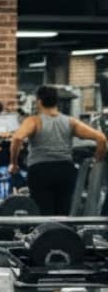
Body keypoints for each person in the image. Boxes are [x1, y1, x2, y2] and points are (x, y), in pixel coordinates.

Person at [10, 85, 107, 215]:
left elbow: (17, 138)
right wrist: (97, 161)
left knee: (44, 213)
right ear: (57, 101)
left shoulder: (34, 121)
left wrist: (13, 163)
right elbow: (101, 138)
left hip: (40, 171)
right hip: (65, 170)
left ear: (39, 101)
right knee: (63, 213)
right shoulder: (70, 121)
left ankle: (48, 234)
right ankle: (62, 234)